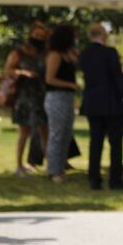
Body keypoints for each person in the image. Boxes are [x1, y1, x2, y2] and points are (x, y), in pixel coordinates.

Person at [79, 23, 123, 191]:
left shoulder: (84, 54)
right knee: (115, 144)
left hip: (93, 104)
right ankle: (115, 180)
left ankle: (94, 179)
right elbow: (118, 77)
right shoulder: (109, 53)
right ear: (103, 35)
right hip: (111, 104)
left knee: (96, 142)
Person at [4, 22, 49, 177]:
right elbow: (8, 70)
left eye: (42, 36)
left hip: (41, 96)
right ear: (30, 34)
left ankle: (51, 165)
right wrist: (23, 72)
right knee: (24, 132)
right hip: (24, 97)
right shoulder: (19, 52)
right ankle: (19, 166)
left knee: (45, 131)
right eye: (37, 35)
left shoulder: (45, 53)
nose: (39, 38)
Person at [43, 24, 80, 183]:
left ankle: (61, 168)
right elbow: (49, 79)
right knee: (56, 134)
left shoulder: (68, 54)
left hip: (68, 98)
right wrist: (70, 85)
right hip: (56, 97)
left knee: (66, 134)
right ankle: (53, 171)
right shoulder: (54, 55)